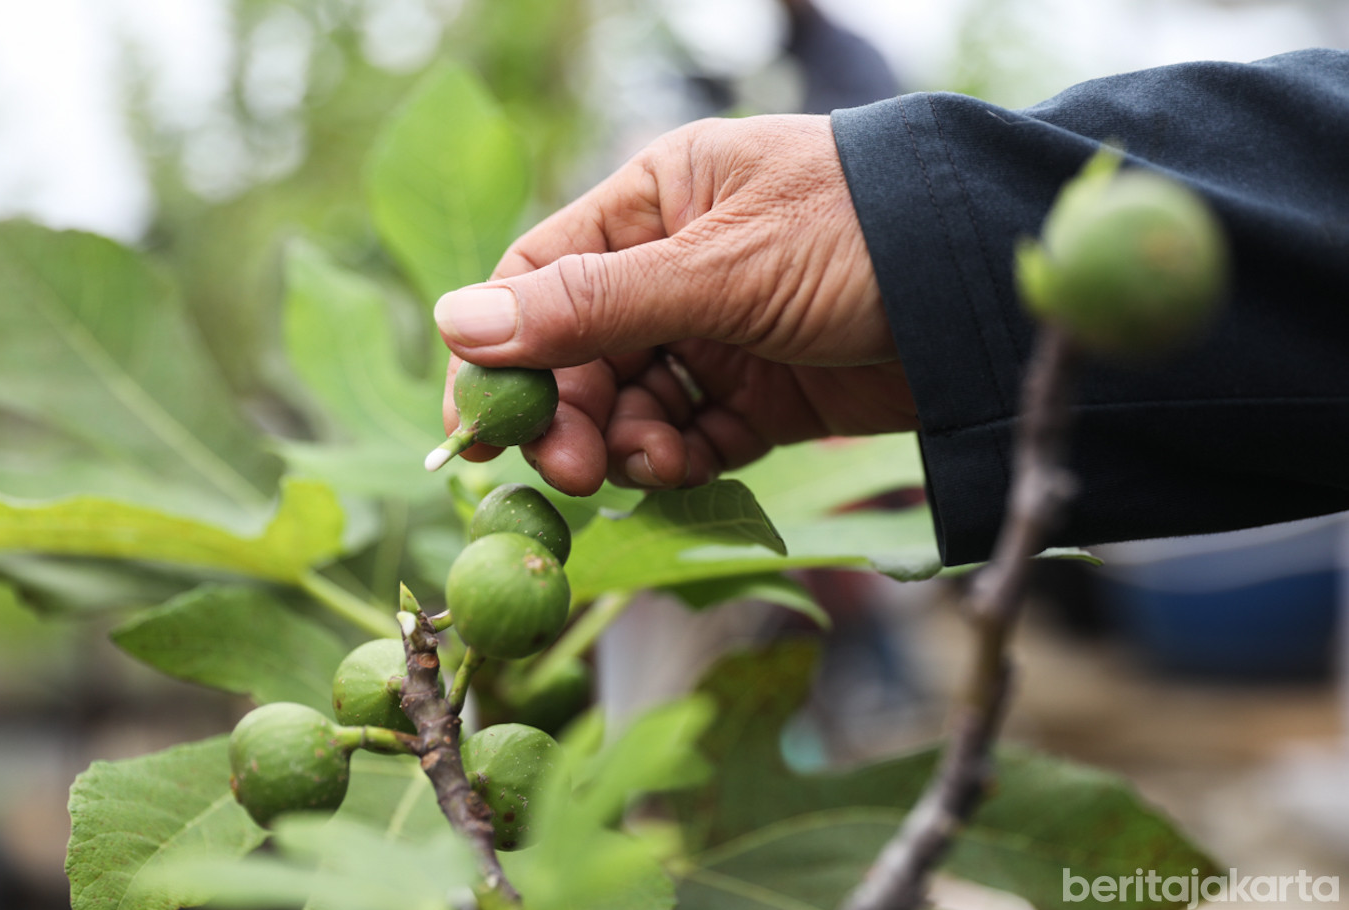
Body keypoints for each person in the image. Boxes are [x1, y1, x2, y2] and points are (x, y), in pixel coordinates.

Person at [433, 48, 1349, 566]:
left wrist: (908, 226)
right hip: (876, 372)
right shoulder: (772, 57)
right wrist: (936, 299)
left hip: (885, 379)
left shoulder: (844, 50)